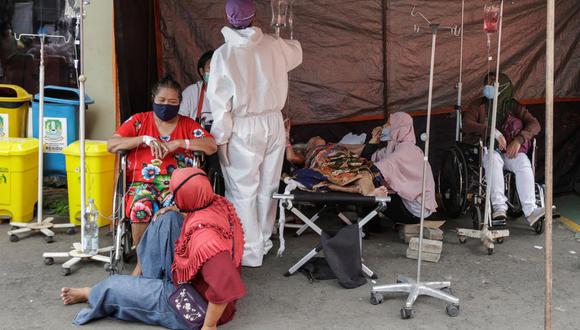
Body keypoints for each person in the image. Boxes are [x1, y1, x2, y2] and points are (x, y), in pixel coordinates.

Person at [60, 168, 246, 330]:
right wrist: (177, 208)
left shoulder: (206, 240)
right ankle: (141, 282)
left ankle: (92, 293)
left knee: (113, 285)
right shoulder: (215, 203)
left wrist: (209, 325)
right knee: (167, 219)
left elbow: (226, 283)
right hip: (192, 284)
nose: (174, 197)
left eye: (177, 195)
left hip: (196, 307)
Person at [207, 0, 303, 267]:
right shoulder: (273, 44)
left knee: (242, 189)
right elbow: (296, 54)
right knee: (268, 185)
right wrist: (279, 30)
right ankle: (264, 238)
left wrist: (221, 137)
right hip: (273, 122)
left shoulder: (223, 55)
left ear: (227, 19)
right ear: (254, 16)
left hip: (243, 125)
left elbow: (220, 104)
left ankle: (250, 250)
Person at [107, 76, 217, 246]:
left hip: (177, 185)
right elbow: (112, 144)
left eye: (172, 101)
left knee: (177, 211)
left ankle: (173, 257)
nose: (166, 105)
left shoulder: (187, 125)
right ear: (153, 99)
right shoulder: (139, 121)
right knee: (140, 208)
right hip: (142, 184)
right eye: (162, 100)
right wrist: (143, 139)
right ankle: (143, 259)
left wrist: (181, 143)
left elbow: (211, 146)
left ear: (180, 103)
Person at [463, 73, 544, 227]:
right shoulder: (478, 105)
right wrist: (491, 131)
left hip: (510, 150)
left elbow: (535, 125)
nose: (489, 87)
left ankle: (531, 210)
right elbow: (467, 124)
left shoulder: (513, 106)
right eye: (487, 83)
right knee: (494, 160)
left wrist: (519, 140)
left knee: (523, 163)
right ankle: (499, 208)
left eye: (493, 84)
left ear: (504, 87)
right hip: (488, 150)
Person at [370, 112, 438, 224]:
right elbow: (375, 157)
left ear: (398, 128)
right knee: (377, 184)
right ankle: (371, 224)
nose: (385, 128)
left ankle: (368, 225)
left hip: (416, 211)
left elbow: (379, 168)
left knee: (372, 190)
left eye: (389, 125)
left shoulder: (407, 149)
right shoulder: (395, 147)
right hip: (412, 206)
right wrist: (374, 140)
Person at [179, 50, 215, 131]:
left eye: (218, 67)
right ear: (202, 71)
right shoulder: (190, 93)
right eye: (210, 67)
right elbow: (180, 121)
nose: (215, 72)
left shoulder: (231, 93)